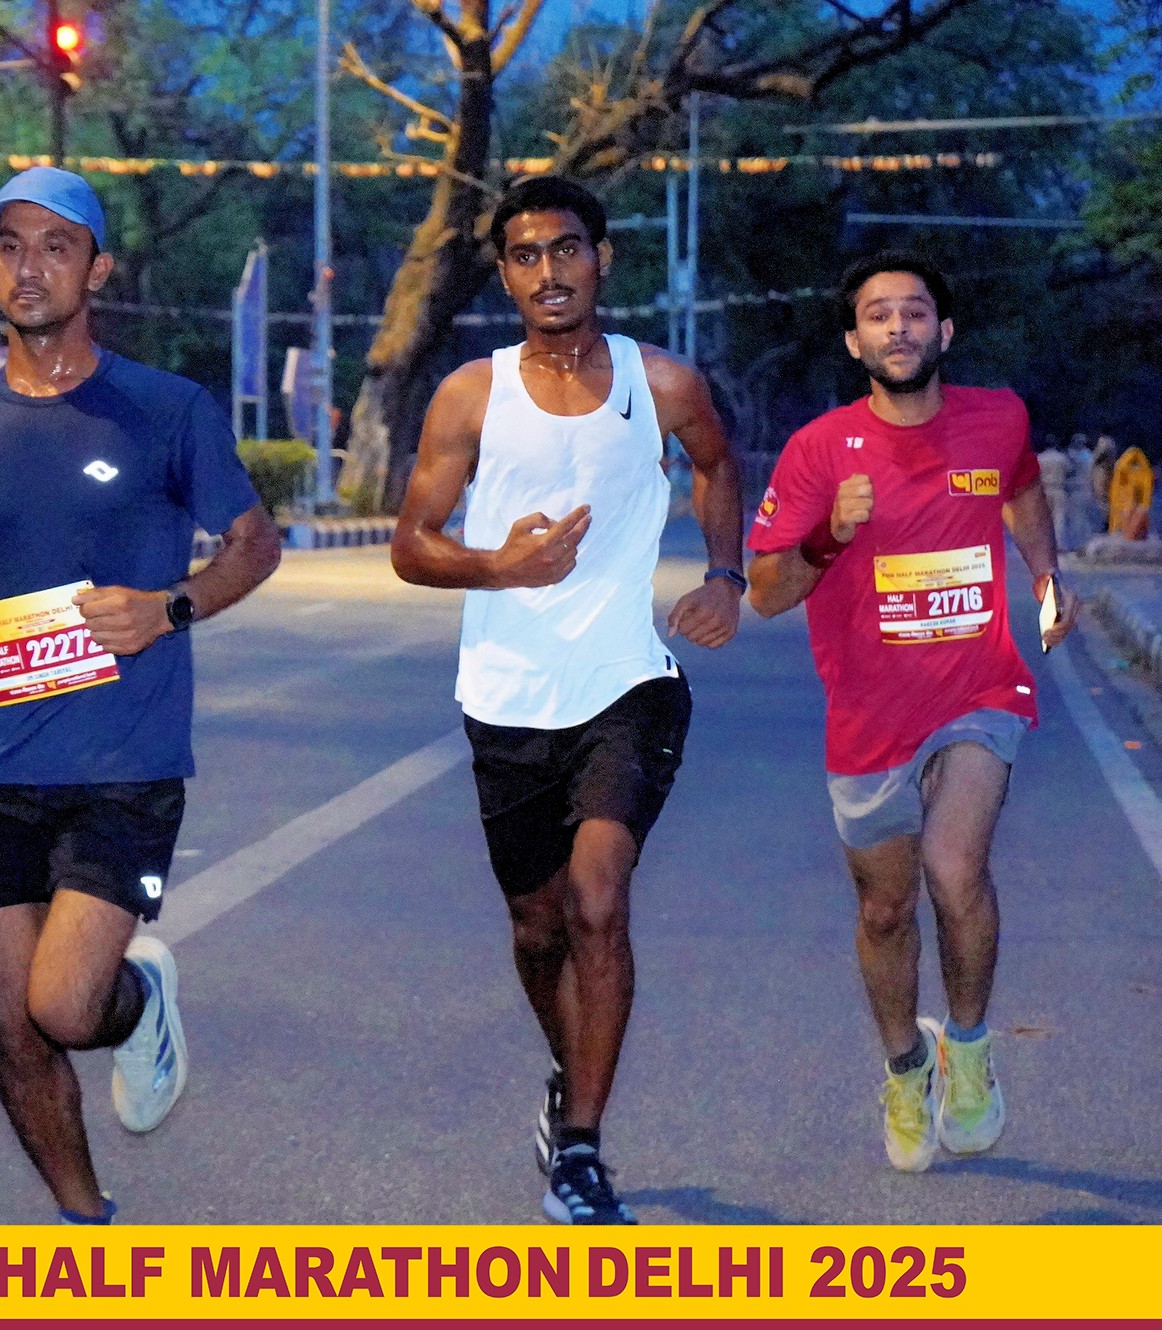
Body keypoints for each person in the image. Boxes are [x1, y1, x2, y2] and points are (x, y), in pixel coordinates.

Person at [0, 168, 280, 1223]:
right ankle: (86, 1224)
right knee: (13, 1020)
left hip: (123, 759)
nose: (28, 266)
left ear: (97, 268)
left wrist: (169, 608)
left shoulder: (165, 409)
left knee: (65, 1004)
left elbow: (252, 542)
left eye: (54, 245)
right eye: (9, 246)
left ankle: (137, 999)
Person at [390, 176, 745, 1224]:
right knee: (538, 927)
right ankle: (570, 1076)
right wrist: (498, 567)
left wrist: (723, 576)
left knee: (597, 901)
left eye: (566, 249)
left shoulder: (661, 384)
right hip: (505, 694)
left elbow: (718, 468)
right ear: (504, 275)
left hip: (625, 683)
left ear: (602, 258)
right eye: (525, 255)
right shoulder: (470, 394)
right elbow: (411, 545)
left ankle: (581, 1152)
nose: (549, 271)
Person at [746, 252, 1080, 1175]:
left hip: (978, 688)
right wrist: (830, 534)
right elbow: (766, 593)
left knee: (954, 866)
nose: (899, 327)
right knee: (886, 909)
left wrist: (1047, 575)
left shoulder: (997, 417)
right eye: (878, 315)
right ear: (854, 342)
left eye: (916, 311)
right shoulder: (819, 452)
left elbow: (1021, 488)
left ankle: (967, 1050)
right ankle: (906, 1068)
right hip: (869, 715)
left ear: (946, 331)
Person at [1036, 436, 1069, 552]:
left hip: (1044, 490)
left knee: (1044, 519)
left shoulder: (1040, 458)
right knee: (1059, 518)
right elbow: (1069, 471)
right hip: (1058, 489)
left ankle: (1044, 545)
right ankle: (1058, 544)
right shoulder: (1061, 458)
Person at [1063, 433, 1094, 551]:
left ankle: (1079, 544)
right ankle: (1082, 544)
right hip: (1082, 489)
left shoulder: (1072, 455)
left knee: (1078, 518)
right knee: (1080, 518)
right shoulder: (1088, 456)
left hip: (1077, 489)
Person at [1090, 432, 1118, 537]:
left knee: (1102, 498)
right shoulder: (1112, 442)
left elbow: (1096, 457)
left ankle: (1108, 524)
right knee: (1106, 498)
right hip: (1109, 471)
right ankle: (1109, 523)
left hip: (1102, 472)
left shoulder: (1104, 442)